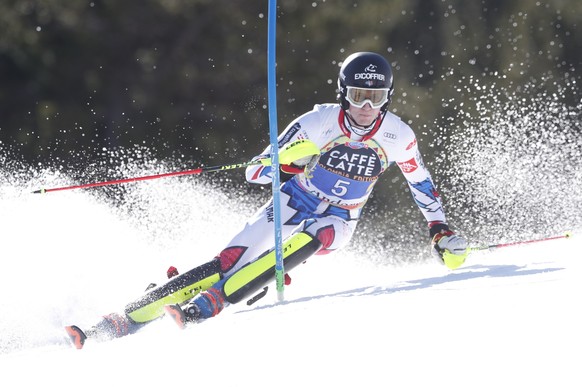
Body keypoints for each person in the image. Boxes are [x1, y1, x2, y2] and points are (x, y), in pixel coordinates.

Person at [65, 51, 468, 348]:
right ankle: (121, 320)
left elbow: (421, 184)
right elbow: (254, 170)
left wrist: (439, 228)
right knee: (225, 264)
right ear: (344, 93)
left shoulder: (399, 135)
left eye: (376, 98)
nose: (366, 108)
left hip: (341, 218)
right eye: (359, 95)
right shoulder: (317, 122)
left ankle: (211, 305)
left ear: (389, 97)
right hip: (293, 200)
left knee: (314, 238)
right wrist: (290, 165)